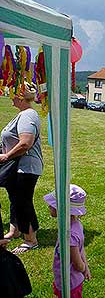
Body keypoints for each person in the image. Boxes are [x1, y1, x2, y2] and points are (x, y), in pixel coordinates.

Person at [0, 82, 43, 254]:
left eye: (13, 92)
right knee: (16, 199)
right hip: (18, 167)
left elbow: (26, 143)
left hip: (25, 167)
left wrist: (6, 156)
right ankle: (15, 230)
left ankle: (30, 240)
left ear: (20, 96)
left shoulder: (28, 115)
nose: (10, 94)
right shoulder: (23, 114)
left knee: (23, 201)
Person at [44, 184, 91, 298]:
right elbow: (82, 249)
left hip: (69, 283)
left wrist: (83, 268)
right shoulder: (76, 224)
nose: (49, 207)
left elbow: (77, 263)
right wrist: (86, 267)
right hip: (70, 279)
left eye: (52, 204)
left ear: (62, 209)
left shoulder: (68, 236)